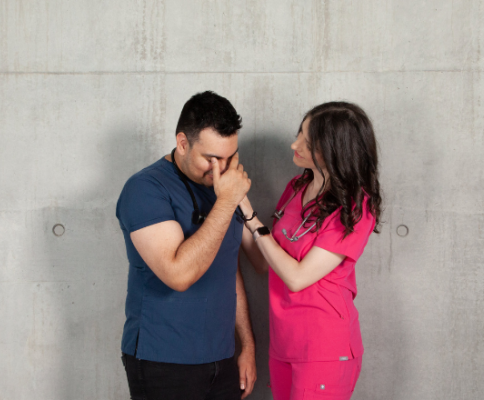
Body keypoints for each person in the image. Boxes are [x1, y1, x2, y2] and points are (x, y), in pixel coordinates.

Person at [116, 91, 257, 400]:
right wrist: (227, 202)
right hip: (164, 360)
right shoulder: (145, 188)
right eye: (212, 158)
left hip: (222, 356)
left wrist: (247, 345)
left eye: (230, 157)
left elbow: (229, 269)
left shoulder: (223, 188)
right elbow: (178, 275)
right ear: (182, 143)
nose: (221, 169)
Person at [236, 102, 382, 400]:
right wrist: (231, 205)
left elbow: (297, 278)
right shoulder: (296, 187)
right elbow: (265, 262)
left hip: (323, 348)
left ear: (335, 150)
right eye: (299, 134)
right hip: (283, 343)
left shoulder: (355, 207)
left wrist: (249, 215)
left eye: (309, 142)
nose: (295, 145)